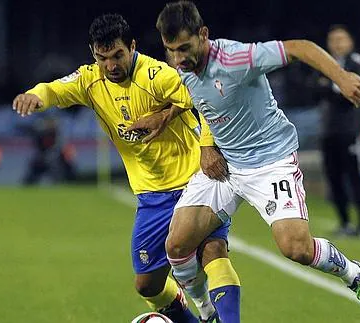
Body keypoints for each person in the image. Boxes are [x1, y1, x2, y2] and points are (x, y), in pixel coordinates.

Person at [131, 2, 360, 321]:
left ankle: (355, 275)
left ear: (204, 35)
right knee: (177, 246)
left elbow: (299, 47)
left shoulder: (237, 59)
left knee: (296, 248)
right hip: (226, 166)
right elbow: (196, 99)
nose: (179, 58)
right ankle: (208, 313)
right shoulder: (182, 69)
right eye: (172, 50)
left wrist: (343, 78)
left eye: (185, 48)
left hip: (271, 162)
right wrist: (170, 120)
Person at [12, 14, 240, 323]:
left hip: (194, 182)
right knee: (148, 285)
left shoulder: (157, 75)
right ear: (93, 53)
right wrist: (33, 96)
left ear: (131, 47)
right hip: (151, 194)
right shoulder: (89, 80)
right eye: (102, 57)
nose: (111, 65)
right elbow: (53, 89)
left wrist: (168, 118)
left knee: (212, 250)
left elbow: (205, 97)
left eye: (118, 55)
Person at [318, 25, 360, 238]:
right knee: (334, 177)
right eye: (333, 39)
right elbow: (314, 90)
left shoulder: (357, 63)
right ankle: (345, 222)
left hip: (350, 130)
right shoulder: (324, 63)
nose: (337, 44)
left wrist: (329, 89)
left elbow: (356, 96)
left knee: (355, 176)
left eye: (341, 39)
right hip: (329, 130)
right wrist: (333, 91)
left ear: (350, 42)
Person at [22, 116, 77, 185]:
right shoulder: (40, 136)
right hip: (43, 160)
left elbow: (59, 149)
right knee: (33, 171)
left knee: (61, 170)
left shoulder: (58, 135)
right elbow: (39, 150)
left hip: (56, 160)